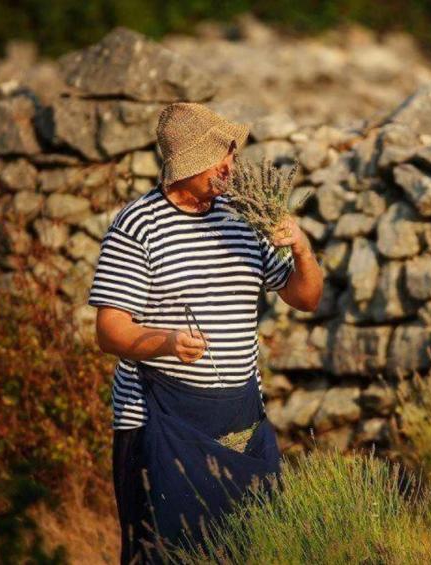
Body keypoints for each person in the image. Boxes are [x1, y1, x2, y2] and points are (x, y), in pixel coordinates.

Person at [87, 102, 324, 563]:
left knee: (254, 549)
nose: (230, 166)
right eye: (222, 157)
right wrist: (168, 342)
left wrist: (302, 247)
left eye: (231, 156)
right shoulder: (138, 225)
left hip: (240, 420)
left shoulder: (245, 220)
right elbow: (109, 331)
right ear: (191, 163)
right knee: (160, 555)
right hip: (156, 423)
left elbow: (306, 298)